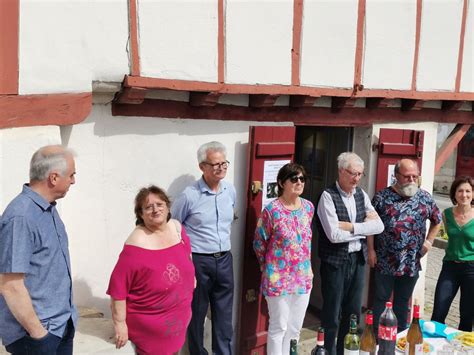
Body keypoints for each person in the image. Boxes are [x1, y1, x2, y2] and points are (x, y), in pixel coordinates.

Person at [0, 145, 78, 354]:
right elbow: (10, 285)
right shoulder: (21, 217)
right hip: (36, 336)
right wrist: (39, 334)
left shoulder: (47, 208)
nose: (73, 181)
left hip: (60, 325)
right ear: (54, 178)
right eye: (71, 175)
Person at [107, 185, 195, 354]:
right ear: (140, 214)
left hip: (178, 324)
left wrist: (192, 278)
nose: (155, 210)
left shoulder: (177, 228)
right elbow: (118, 289)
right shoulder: (136, 244)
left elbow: (187, 253)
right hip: (151, 332)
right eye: (148, 207)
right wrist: (120, 324)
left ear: (168, 206)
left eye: (159, 204)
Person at [171, 141, 236, 355]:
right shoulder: (189, 196)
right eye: (215, 164)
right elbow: (174, 227)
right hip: (199, 261)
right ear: (202, 167)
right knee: (196, 315)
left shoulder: (230, 190)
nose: (220, 168)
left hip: (225, 259)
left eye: (224, 164)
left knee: (224, 317)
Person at [316, 152, 384, 355]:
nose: (356, 178)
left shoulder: (361, 195)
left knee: (353, 312)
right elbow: (334, 235)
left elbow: (379, 226)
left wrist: (352, 227)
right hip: (335, 263)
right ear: (341, 171)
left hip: (358, 260)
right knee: (332, 314)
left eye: (360, 174)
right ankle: (327, 351)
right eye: (352, 173)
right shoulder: (327, 196)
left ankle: (345, 351)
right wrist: (363, 227)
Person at [369, 158, 442, 334]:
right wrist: (370, 250)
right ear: (396, 176)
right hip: (385, 260)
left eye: (414, 177)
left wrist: (429, 241)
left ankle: (400, 338)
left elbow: (437, 220)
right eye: (407, 176)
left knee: (402, 303)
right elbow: (369, 225)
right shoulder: (382, 197)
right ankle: (378, 339)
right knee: (381, 300)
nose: (411, 180)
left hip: (410, 263)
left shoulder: (424, 197)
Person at [254, 163, 314, 355]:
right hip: (277, 277)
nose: (299, 182)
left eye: (302, 179)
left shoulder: (308, 207)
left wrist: (309, 267)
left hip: (303, 276)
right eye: (294, 179)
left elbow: (306, 243)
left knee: (294, 328)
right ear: (281, 182)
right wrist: (268, 267)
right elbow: (259, 242)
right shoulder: (271, 211)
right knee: (278, 327)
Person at [431, 176, 474, 331]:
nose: (464, 195)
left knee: (467, 315)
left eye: (468, 191)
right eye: (460, 191)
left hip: (471, 269)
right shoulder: (446, 214)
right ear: (454, 194)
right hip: (450, 267)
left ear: (473, 194)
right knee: (438, 311)